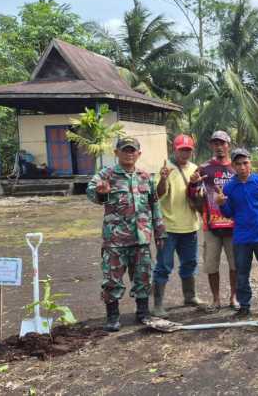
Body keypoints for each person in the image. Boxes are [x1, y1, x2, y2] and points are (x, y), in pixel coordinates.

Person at [87, 137, 166, 331]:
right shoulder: (106, 175)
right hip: (116, 240)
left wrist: (159, 231)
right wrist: (101, 193)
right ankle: (113, 317)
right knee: (112, 279)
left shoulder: (145, 177)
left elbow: (154, 204)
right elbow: (91, 193)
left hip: (141, 238)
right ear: (116, 153)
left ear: (139, 154)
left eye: (133, 151)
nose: (129, 153)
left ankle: (143, 313)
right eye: (125, 150)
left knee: (143, 277)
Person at [217, 148, 258, 319]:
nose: (242, 167)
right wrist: (221, 204)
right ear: (233, 166)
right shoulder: (229, 187)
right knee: (242, 273)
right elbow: (228, 213)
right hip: (241, 238)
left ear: (250, 163)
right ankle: (244, 306)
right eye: (238, 164)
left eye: (245, 163)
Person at [152, 134, 204, 318]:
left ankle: (190, 296)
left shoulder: (195, 169)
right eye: (182, 149)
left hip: (190, 226)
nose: (185, 153)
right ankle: (158, 304)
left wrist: (196, 185)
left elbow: (199, 196)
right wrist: (164, 179)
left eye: (188, 150)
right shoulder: (167, 168)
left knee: (190, 263)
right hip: (169, 227)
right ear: (175, 149)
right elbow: (158, 195)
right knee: (164, 266)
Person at [188, 130, 237, 311]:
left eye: (222, 143)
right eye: (215, 143)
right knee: (211, 265)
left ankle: (234, 297)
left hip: (234, 225)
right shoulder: (204, 168)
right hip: (212, 225)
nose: (219, 147)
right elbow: (193, 196)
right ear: (211, 146)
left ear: (228, 145)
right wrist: (193, 184)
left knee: (235, 264)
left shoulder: (236, 167)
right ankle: (216, 299)